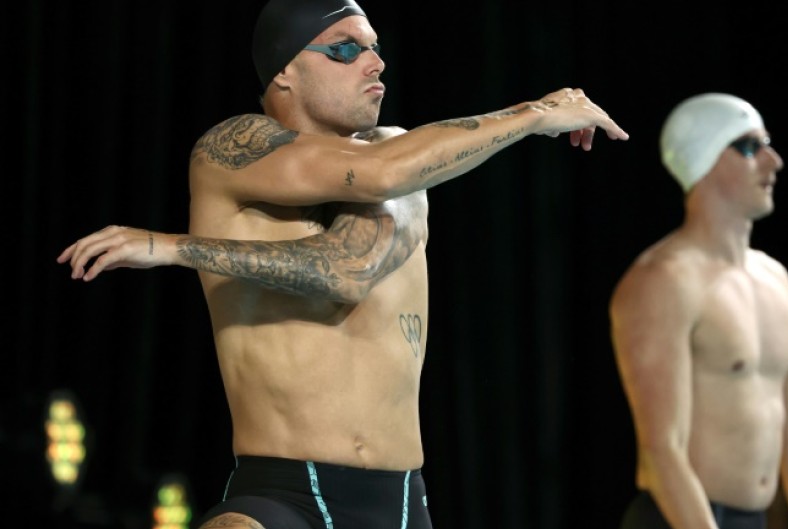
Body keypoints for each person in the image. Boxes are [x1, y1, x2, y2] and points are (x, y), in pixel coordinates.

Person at [57, 0, 628, 527]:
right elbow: (368, 205)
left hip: (404, 502)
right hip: (282, 495)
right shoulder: (232, 149)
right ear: (284, 70)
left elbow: (345, 269)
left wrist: (174, 247)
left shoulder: (401, 158)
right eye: (346, 48)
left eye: (376, 46)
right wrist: (537, 112)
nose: (375, 62)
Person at [608, 93, 788, 529]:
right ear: (706, 159)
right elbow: (663, 454)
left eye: (767, 144)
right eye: (751, 147)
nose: (773, 161)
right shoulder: (664, 281)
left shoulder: (775, 279)